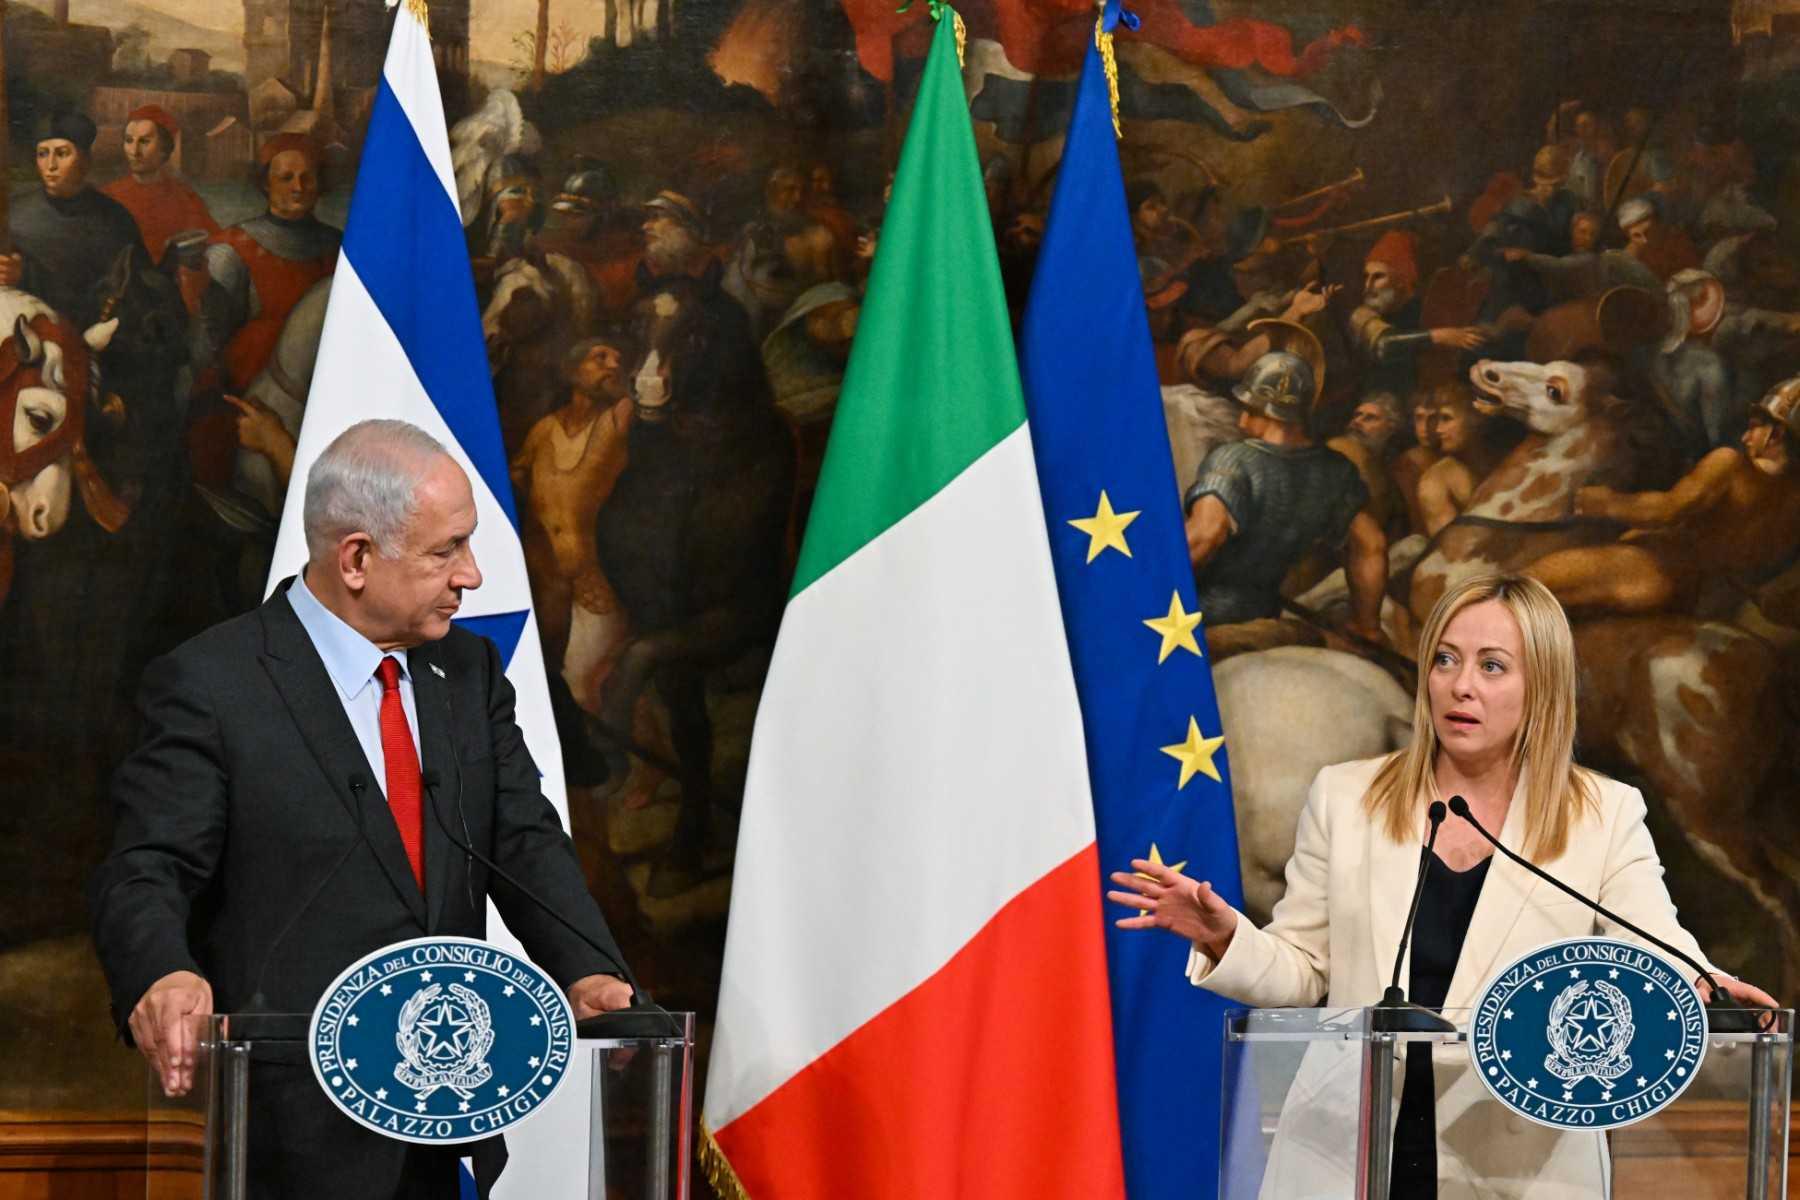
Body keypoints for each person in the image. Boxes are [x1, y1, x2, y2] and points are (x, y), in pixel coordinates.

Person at [89, 420, 634, 1199]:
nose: (472, 576)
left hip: (443, 1112)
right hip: (285, 1133)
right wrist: (164, 971)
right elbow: (146, 869)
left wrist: (589, 971)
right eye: (447, 550)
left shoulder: (468, 671)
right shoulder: (215, 685)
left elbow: (522, 837)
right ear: (355, 558)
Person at [1108, 573, 1776, 1198]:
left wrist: (1703, 986)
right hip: (1346, 1151)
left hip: (1518, 1163)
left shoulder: (1601, 814)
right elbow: (1305, 974)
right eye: (1446, 660)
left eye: (1492, 666)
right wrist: (1230, 940)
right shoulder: (1347, 798)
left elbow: (1654, 945)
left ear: (1541, 685)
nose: (1461, 687)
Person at [101, 104, 220, 269]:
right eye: (129, 140)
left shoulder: (185, 197)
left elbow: (214, 243)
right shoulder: (108, 196)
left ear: (164, 149)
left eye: (144, 141)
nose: (134, 151)